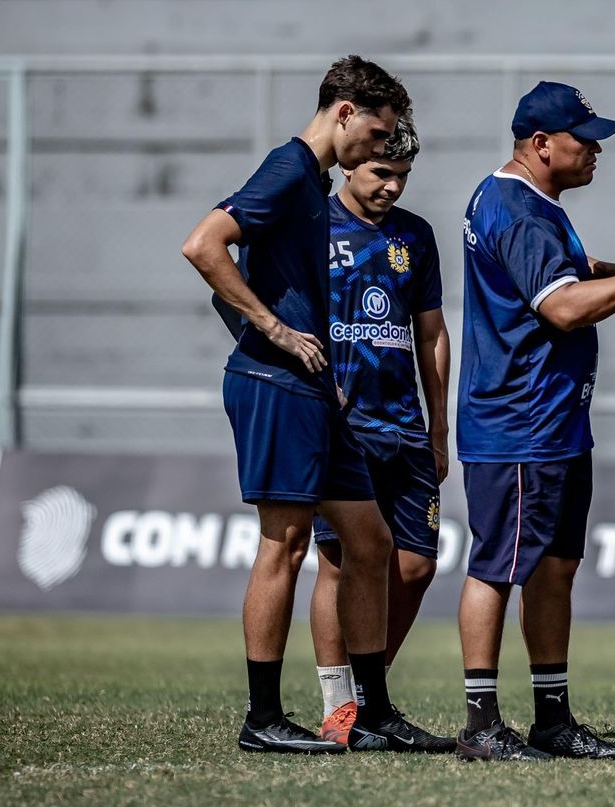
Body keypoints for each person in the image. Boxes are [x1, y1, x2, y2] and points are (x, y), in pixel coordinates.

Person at [182, 55, 446, 753]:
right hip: (275, 384)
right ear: (345, 113)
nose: (381, 147)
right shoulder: (292, 168)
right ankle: (262, 719)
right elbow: (203, 246)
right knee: (286, 545)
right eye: (377, 132)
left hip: (316, 392)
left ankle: (372, 714)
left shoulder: (315, 180)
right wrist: (271, 328)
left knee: (372, 543)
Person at [455, 81, 615, 762]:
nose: (596, 148)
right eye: (584, 137)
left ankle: (551, 717)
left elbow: (568, 273)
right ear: (541, 145)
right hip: (518, 424)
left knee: (555, 567)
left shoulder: (527, 201)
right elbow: (563, 306)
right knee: (496, 568)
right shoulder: (517, 210)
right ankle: (481, 724)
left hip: (555, 422)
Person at [307, 115, 454, 750]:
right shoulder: (314, 227)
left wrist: (439, 424)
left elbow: (432, 333)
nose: (392, 186)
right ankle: (340, 708)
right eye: (380, 172)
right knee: (340, 563)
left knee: (416, 565)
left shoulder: (415, 237)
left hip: (405, 426)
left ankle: (373, 699)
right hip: (342, 427)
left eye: (402, 176)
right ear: (349, 164)